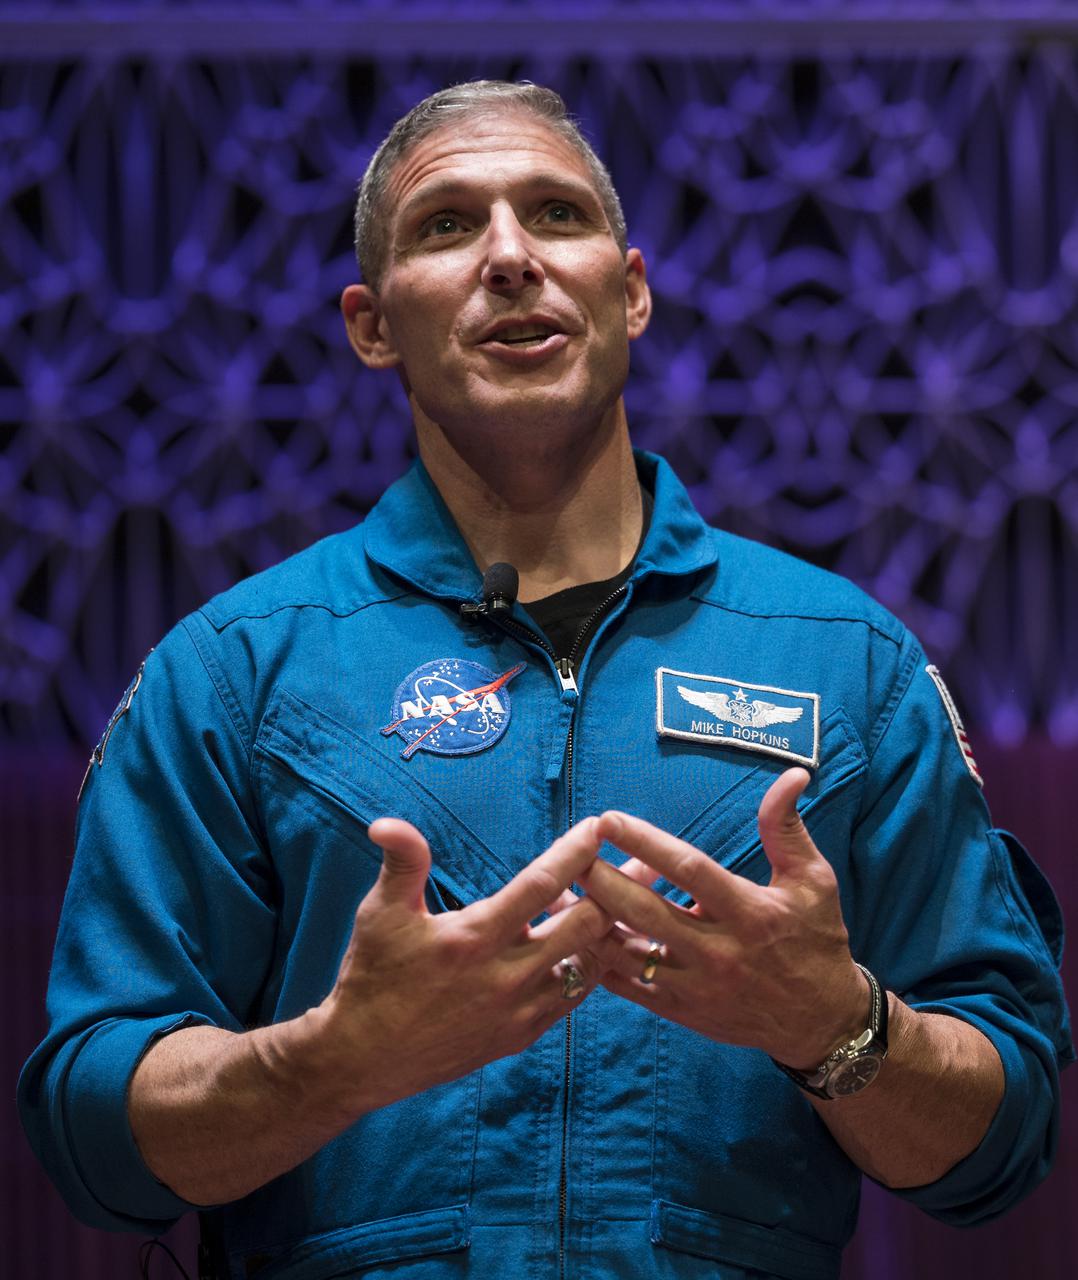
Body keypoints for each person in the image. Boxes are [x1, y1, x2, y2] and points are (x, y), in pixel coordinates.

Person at [19, 80, 1072, 1280]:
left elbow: (1004, 1137)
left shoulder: (845, 660)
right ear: (372, 325)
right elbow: (91, 1139)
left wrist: (837, 1027)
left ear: (629, 291)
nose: (511, 256)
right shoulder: (235, 669)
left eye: (555, 215)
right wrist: (333, 1061)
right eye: (447, 224)